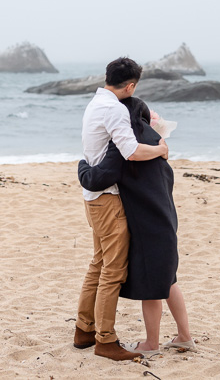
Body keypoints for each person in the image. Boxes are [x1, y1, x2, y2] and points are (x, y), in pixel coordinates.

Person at [78, 95, 196, 357]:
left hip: (147, 227)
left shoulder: (128, 151)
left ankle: (151, 344)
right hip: (166, 222)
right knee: (168, 281)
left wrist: (82, 165)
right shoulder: (157, 143)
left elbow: (99, 178)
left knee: (151, 288)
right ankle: (184, 337)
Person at [74, 57, 170, 362]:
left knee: (99, 264)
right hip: (108, 199)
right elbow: (131, 151)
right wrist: (160, 149)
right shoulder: (115, 108)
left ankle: (84, 329)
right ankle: (105, 340)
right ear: (130, 86)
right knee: (112, 271)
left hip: (92, 197)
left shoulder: (95, 103)